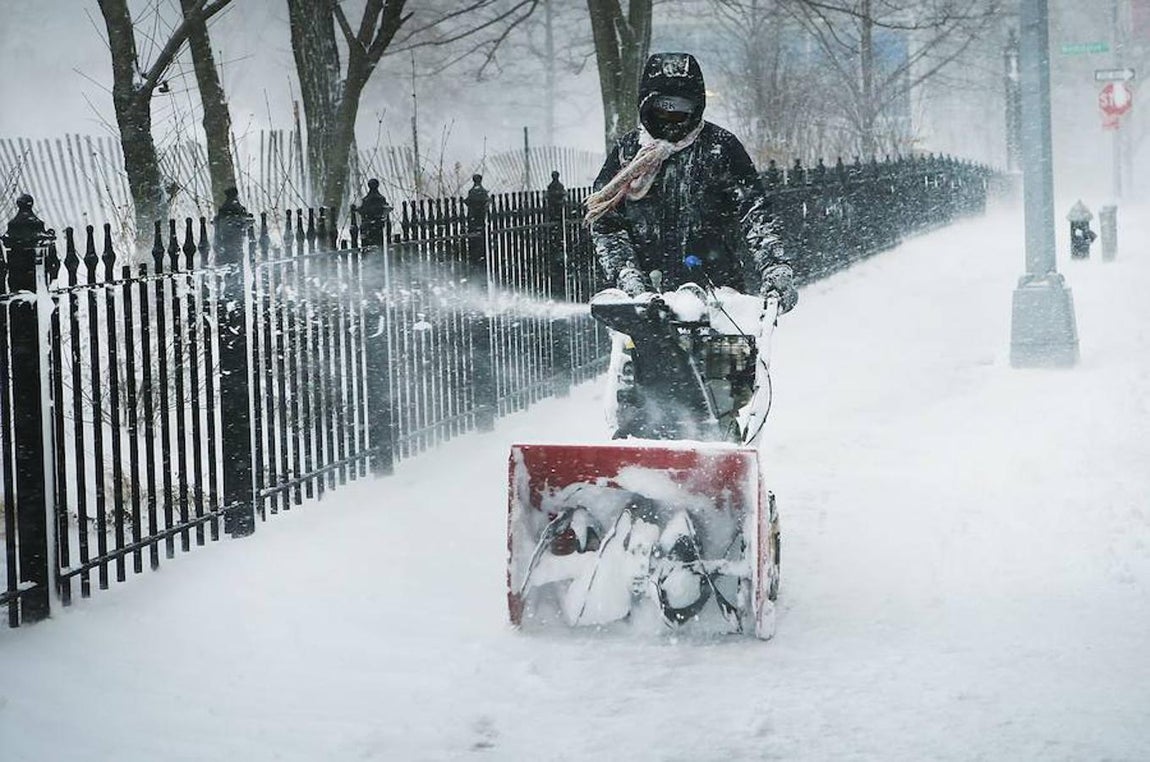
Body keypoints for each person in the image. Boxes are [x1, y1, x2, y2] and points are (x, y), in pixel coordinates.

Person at [585, 52, 797, 313]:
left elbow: (755, 214)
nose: (671, 119)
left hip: (718, 298)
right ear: (647, 105)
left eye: (681, 109)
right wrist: (628, 276)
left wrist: (775, 267)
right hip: (646, 304)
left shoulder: (720, 148)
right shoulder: (626, 155)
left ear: (696, 107)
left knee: (728, 354)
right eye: (663, 108)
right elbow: (606, 222)